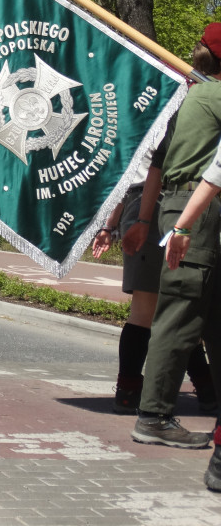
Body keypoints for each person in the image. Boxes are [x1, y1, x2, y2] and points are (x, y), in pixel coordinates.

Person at [125, 26, 221, 451]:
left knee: (212, 316)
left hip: (181, 206)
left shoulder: (188, 99)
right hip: (199, 211)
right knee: (180, 316)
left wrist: (146, 219)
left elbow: (157, 165)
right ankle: (154, 415)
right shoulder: (214, 97)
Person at [92, 142, 216, 415]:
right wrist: (111, 225)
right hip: (155, 206)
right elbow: (143, 170)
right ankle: (134, 391)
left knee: (175, 307)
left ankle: (202, 388)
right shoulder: (164, 121)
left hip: (159, 206)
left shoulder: (149, 119)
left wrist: (110, 225)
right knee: (156, 309)